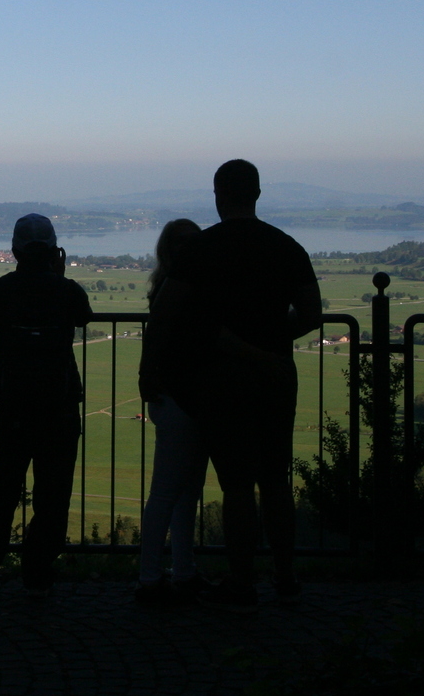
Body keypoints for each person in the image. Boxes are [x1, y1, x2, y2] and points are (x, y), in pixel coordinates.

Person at [149, 159, 320, 612]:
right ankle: (286, 576)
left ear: (218, 195)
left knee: (238, 485)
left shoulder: (202, 249)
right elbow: (310, 315)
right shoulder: (287, 247)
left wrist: (152, 369)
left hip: (220, 378)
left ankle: (242, 582)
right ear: (258, 194)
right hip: (277, 376)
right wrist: (272, 339)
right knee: (276, 480)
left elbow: (165, 311)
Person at [0, 213, 93, 597]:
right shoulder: (67, 290)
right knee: (53, 492)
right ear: (55, 250)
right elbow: (84, 317)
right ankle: (37, 571)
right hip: (59, 400)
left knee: (4, 487)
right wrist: (60, 273)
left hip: (14, 400)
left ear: (14, 251)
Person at [135, 218, 211, 606]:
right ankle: (153, 577)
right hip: (184, 397)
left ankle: (179, 571)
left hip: (176, 397)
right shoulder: (188, 287)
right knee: (170, 493)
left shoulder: (165, 285)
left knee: (181, 492)